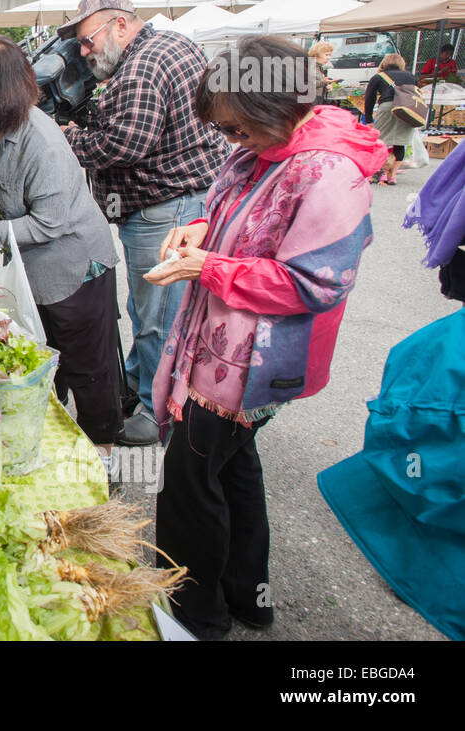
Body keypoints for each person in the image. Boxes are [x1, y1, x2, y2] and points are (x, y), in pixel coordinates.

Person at [148, 35, 385, 640]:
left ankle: (195, 614)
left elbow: (314, 284)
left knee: (190, 482)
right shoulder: (269, 146)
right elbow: (231, 206)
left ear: (277, 106)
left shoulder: (329, 170)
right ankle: (248, 598)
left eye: (237, 129)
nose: (231, 141)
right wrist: (198, 229)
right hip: (223, 346)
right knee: (233, 469)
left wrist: (207, 267)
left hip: (247, 362)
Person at [0, 35, 125, 466]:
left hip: (74, 268)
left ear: (1, 97)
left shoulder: (42, 142)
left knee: (88, 368)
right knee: (36, 357)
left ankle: (104, 455)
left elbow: (48, 223)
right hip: (21, 270)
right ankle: (44, 442)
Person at [60, 0, 229, 446]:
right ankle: (138, 382)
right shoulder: (174, 43)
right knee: (152, 308)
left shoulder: (142, 66)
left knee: (156, 316)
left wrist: (66, 140)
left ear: (119, 24)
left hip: (164, 207)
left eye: (88, 40)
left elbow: (123, 144)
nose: (84, 51)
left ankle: (158, 414)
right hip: (182, 201)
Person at [363, 53, 415, 185]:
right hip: (406, 110)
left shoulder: (379, 77)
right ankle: (392, 176)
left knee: (380, 141)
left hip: (388, 108)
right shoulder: (410, 76)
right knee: (400, 142)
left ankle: (376, 174)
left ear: (384, 63)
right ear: (401, 63)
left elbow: (370, 98)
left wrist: (369, 119)